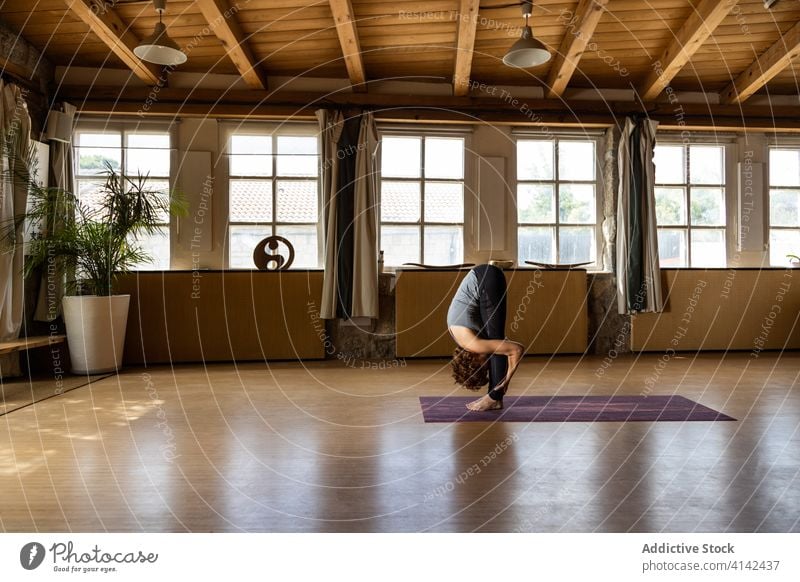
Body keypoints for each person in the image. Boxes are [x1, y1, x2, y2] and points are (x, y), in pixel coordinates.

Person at [446, 263, 524, 411]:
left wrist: (506, 381)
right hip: (486, 275)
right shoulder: (461, 338)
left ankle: (494, 398)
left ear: (474, 361)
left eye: (484, 367)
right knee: (496, 344)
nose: (487, 365)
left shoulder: (474, 344)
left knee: (497, 344)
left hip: (485, 279)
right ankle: (494, 396)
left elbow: (516, 349)